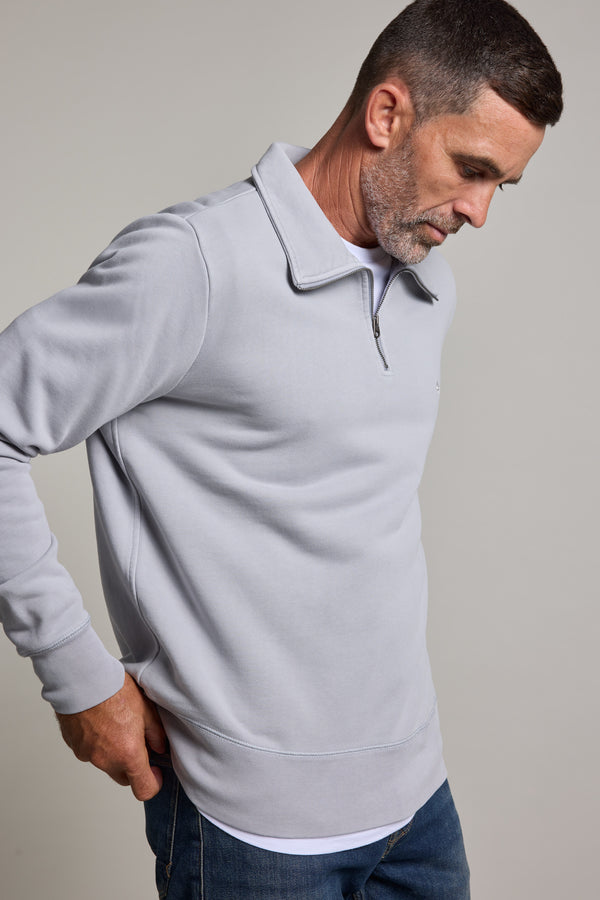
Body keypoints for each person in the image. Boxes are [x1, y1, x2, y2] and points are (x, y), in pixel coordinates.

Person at [0, 0, 562, 897]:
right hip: (247, 832)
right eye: (472, 169)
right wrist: (75, 675)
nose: (480, 212)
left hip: (417, 809)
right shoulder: (197, 265)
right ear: (387, 115)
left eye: (503, 185)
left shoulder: (427, 282)